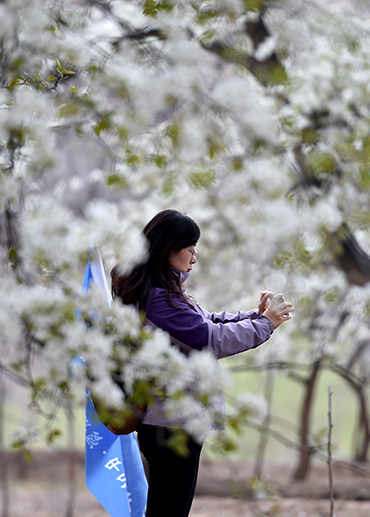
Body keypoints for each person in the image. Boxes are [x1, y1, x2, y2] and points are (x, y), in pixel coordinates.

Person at [111, 209, 293, 517]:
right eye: (191, 251)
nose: (194, 259)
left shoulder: (166, 294)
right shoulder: (159, 299)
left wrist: (256, 315)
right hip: (169, 425)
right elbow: (209, 339)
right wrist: (265, 326)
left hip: (170, 422)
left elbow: (207, 321)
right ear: (169, 249)